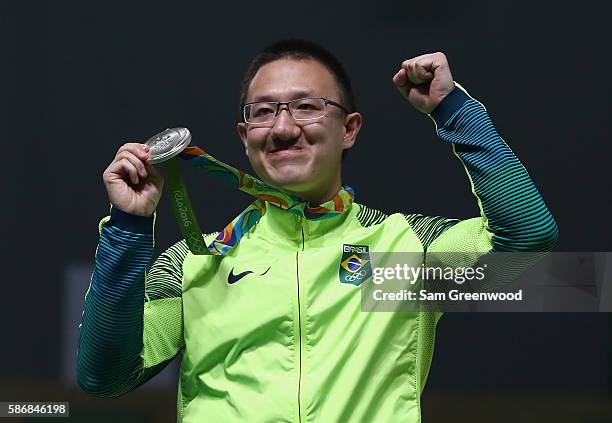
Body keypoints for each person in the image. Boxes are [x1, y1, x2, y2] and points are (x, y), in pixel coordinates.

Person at [77, 39, 559, 422]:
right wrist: (129, 227)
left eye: (306, 106)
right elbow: (105, 376)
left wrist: (455, 111)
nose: (283, 128)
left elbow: (526, 236)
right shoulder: (195, 261)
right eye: (263, 112)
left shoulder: (402, 254)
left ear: (349, 129)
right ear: (245, 138)